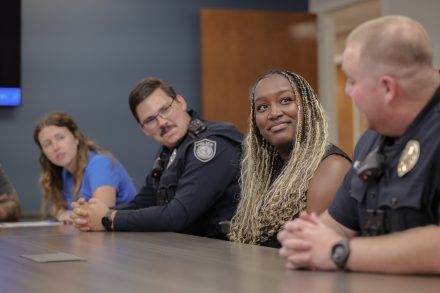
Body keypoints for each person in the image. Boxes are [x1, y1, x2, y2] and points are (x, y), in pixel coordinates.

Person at [278, 15, 440, 274]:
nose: (347, 92)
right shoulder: (372, 141)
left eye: (352, 81)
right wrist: (307, 237)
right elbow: (339, 223)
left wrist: (339, 252)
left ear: (388, 88)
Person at [71, 77, 243, 239]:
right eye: (151, 119)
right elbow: (143, 203)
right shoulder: (167, 154)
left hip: (231, 252)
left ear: (181, 102)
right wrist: (92, 215)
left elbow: (179, 214)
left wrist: (109, 218)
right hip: (197, 252)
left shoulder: (210, 143)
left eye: (165, 109)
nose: (162, 122)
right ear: (144, 129)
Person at [228, 70, 351, 247]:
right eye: (262, 107)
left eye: (285, 100)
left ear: (308, 106)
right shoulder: (266, 170)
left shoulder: (331, 167)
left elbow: (312, 249)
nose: (274, 113)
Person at [34, 112, 137, 224]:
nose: (55, 147)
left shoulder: (100, 164)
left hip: (127, 238)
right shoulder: (65, 174)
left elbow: (100, 217)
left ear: (76, 138)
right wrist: (61, 213)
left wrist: (70, 215)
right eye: (47, 144)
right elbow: (57, 208)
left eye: (60, 138)